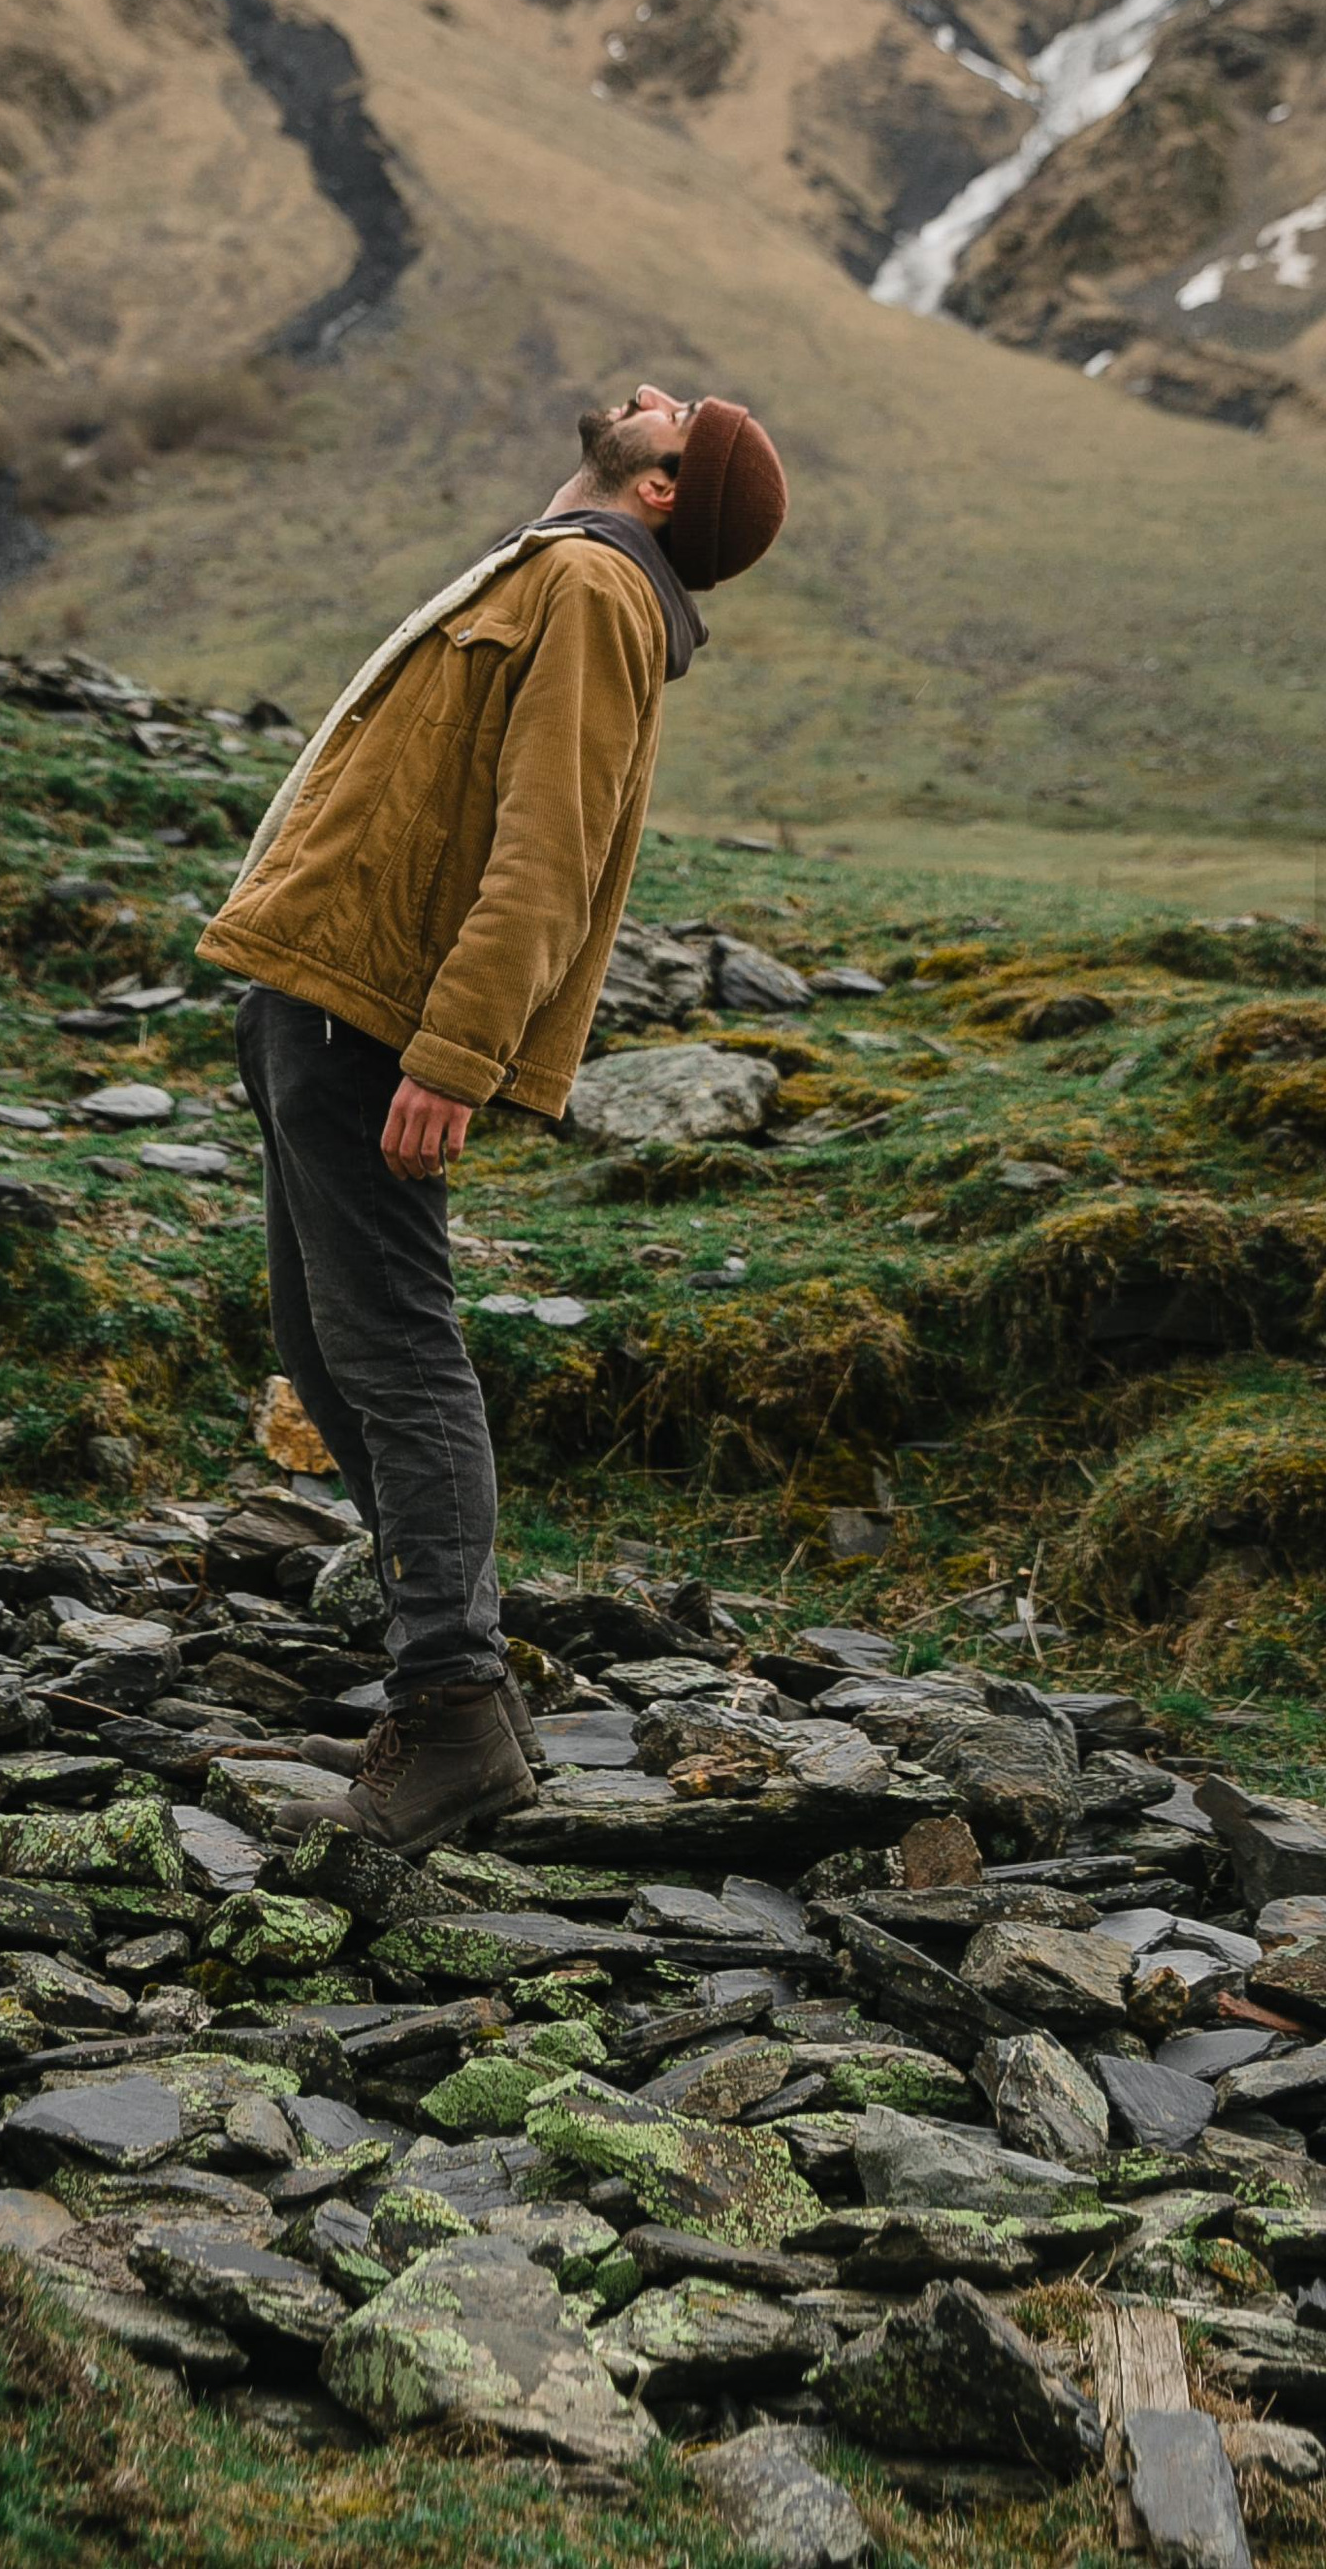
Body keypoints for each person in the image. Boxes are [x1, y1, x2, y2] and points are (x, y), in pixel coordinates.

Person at [196, 385, 789, 1853]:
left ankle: (453, 1710)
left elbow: (553, 843)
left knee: (395, 1349)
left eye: (675, 414)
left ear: (660, 490)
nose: (652, 393)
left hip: (379, 1016)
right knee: (327, 1343)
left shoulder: (590, 587)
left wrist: (454, 1054)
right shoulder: (557, 565)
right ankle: (448, 1669)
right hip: (322, 992)